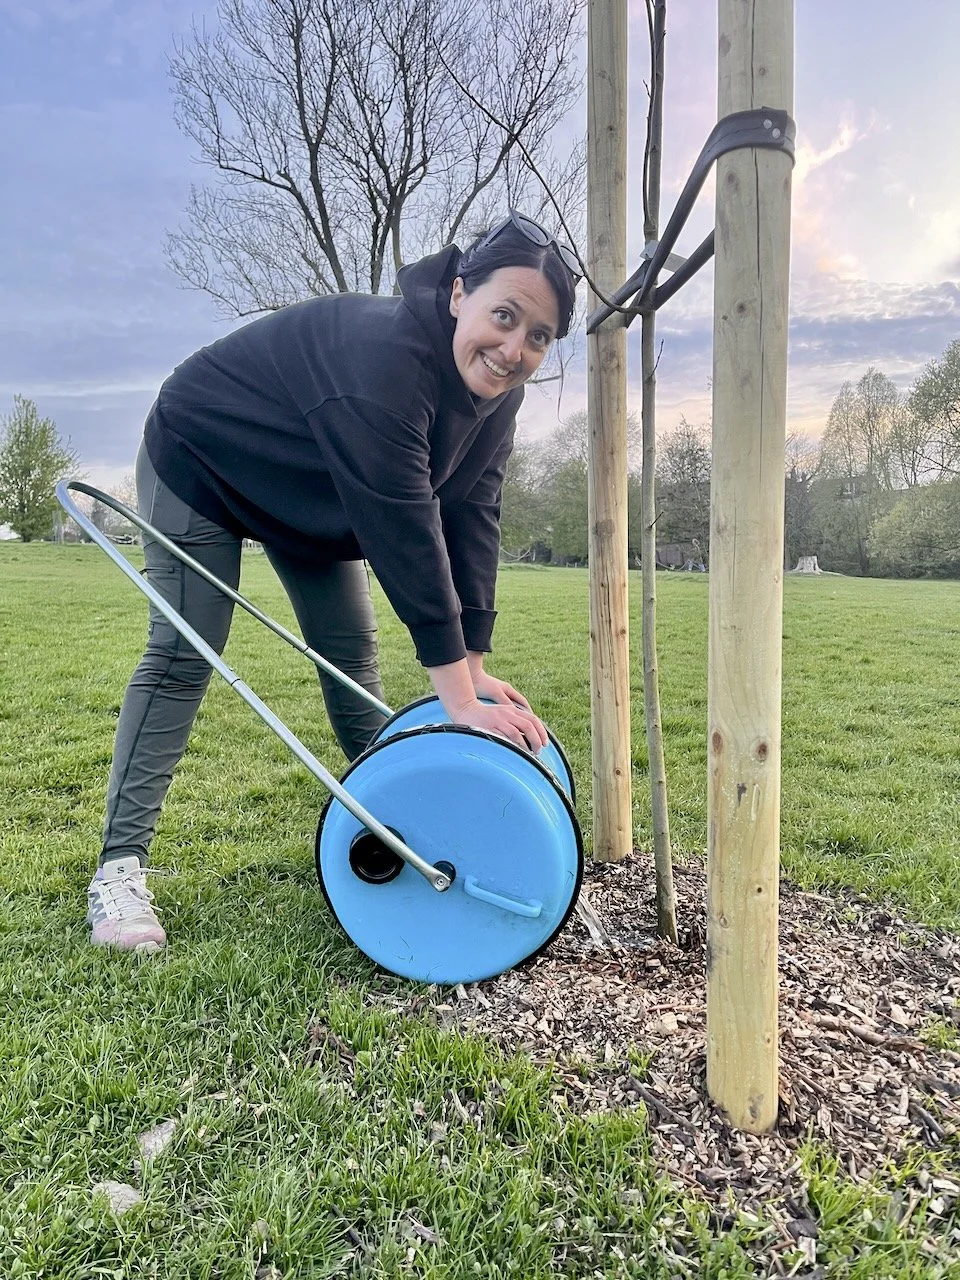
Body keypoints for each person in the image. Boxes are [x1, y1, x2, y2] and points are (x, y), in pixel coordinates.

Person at [87, 210, 580, 953]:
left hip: (312, 499)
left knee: (351, 663)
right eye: (503, 316)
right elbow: (405, 524)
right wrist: (452, 694)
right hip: (204, 461)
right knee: (186, 653)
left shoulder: (496, 394)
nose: (514, 349)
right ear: (457, 293)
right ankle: (118, 871)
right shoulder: (385, 358)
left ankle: (403, 825)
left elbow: (474, 510)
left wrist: (473, 666)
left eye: (538, 336)